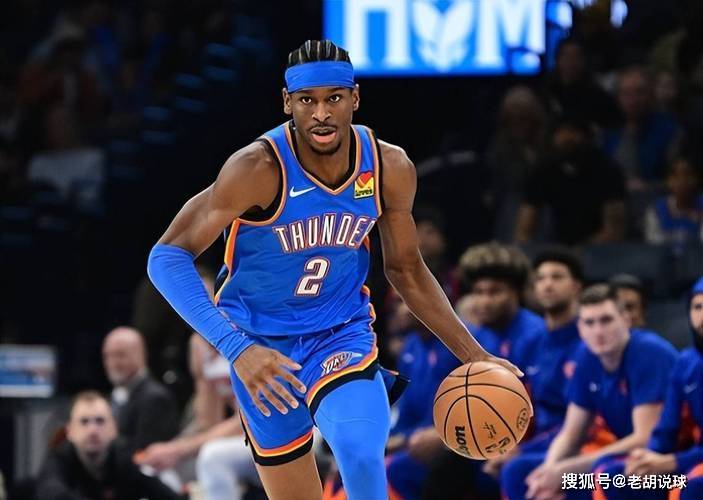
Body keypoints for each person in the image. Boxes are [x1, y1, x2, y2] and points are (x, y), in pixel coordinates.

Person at [146, 39, 520, 500]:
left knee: (360, 454)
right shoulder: (256, 168)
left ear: (355, 98)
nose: (321, 113)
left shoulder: (388, 166)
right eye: (307, 100)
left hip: (340, 334)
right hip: (261, 348)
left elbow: (406, 269)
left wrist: (475, 355)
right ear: (287, 103)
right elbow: (166, 257)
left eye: (334, 98)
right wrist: (237, 349)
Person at [501, 284, 678, 500]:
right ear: (580, 328)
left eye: (606, 320)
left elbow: (644, 438)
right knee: (519, 471)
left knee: (600, 478)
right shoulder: (587, 357)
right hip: (624, 460)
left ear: (626, 319)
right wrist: (548, 471)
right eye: (589, 323)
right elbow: (571, 434)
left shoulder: (650, 353)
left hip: (670, 469)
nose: (598, 331)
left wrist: (565, 470)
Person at [592, 277, 703, 499]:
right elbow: (666, 429)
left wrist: (674, 461)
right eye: (698, 307)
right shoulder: (686, 363)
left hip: (690, 463)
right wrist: (649, 457)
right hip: (687, 460)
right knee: (611, 475)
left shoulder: (651, 351)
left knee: (692, 487)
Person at [484, 248, 583, 479]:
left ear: (577, 287)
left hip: (576, 440)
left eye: (557, 277)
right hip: (537, 439)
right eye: (541, 278)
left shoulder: (588, 341)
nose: (548, 284)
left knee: (515, 470)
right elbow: (520, 404)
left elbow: (580, 422)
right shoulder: (531, 343)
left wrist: (521, 450)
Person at [36, 391, 181, 500]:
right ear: (69, 431)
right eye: (84, 422)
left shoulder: (124, 460)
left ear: (114, 429)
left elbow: (164, 494)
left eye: (100, 421)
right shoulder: (58, 459)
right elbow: (49, 492)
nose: (93, 430)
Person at [514, 116, 627, 245]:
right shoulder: (544, 169)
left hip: (599, 249)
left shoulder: (607, 170)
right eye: (560, 132)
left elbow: (613, 231)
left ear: (586, 137)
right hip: (558, 246)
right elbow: (524, 228)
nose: (566, 137)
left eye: (573, 131)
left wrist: (581, 249)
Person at [457, 242, 545, 373]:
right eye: (479, 292)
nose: (485, 301)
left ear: (517, 292)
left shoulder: (538, 334)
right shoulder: (474, 336)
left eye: (495, 292)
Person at [102, 326, 179, 454]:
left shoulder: (155, 399)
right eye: (107, 356)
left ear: (140, 355)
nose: (112, 363)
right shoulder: (112, 397)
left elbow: (145, 453)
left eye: (120, 355)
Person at [644, 154, 703, 254]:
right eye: (676, 175)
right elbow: (654, 247)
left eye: (687, 174)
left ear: (696, 179)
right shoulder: (656, 210)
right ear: (669, 181)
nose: (682, 180)